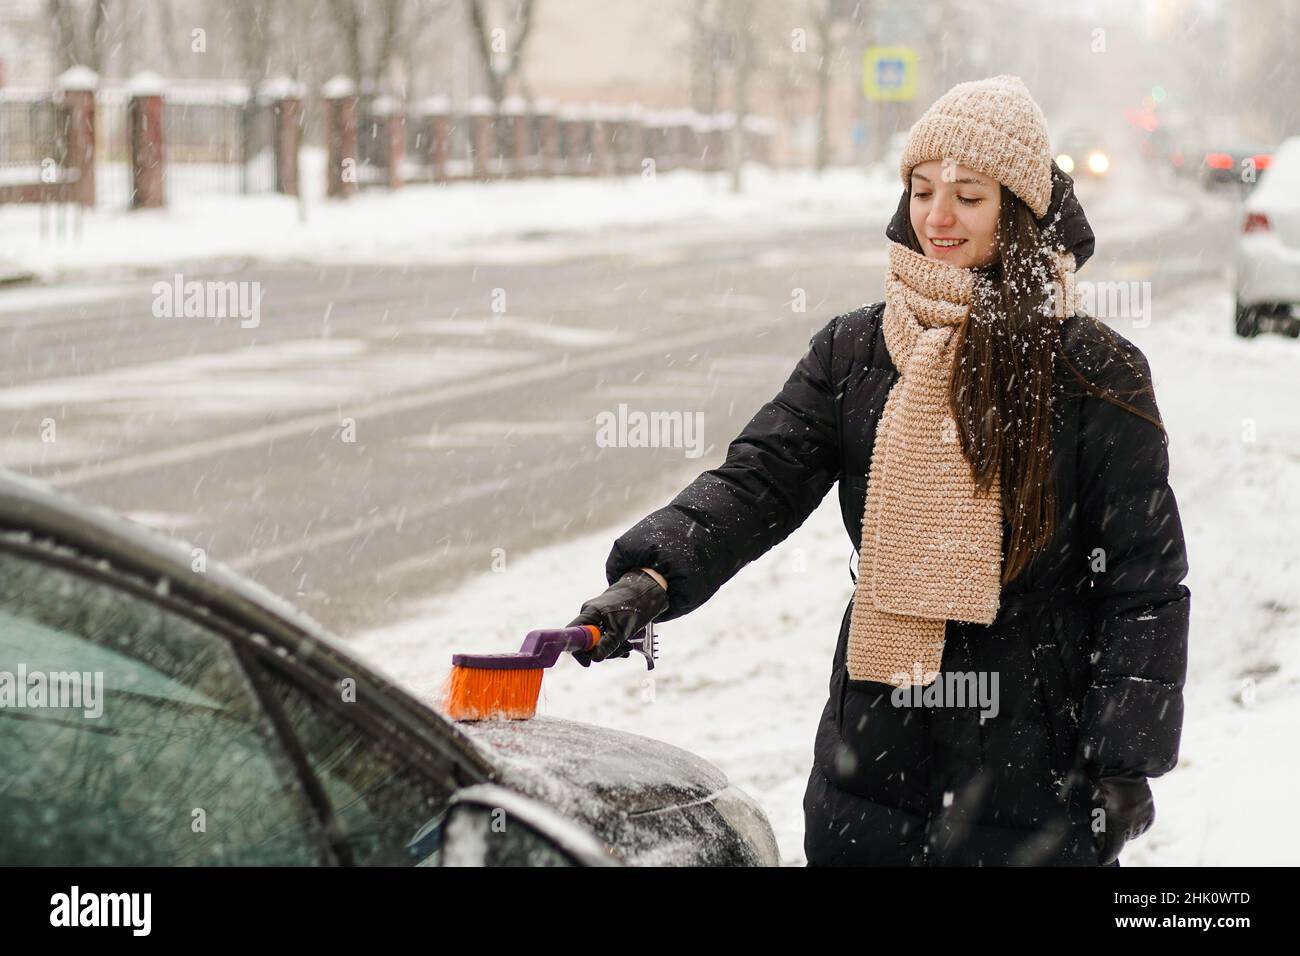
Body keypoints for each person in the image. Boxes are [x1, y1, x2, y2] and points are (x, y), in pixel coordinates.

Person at [567, 75, 1190, 867]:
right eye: (922, 190)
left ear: (1020, 209)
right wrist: (654, 574)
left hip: (1036, 747)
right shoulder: (858, 350)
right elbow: (761, 477)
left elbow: (1144, 580)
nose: (938, 216)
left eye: (969, 196)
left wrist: (1125, 754)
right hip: (878, 729)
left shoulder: (1092, 370)